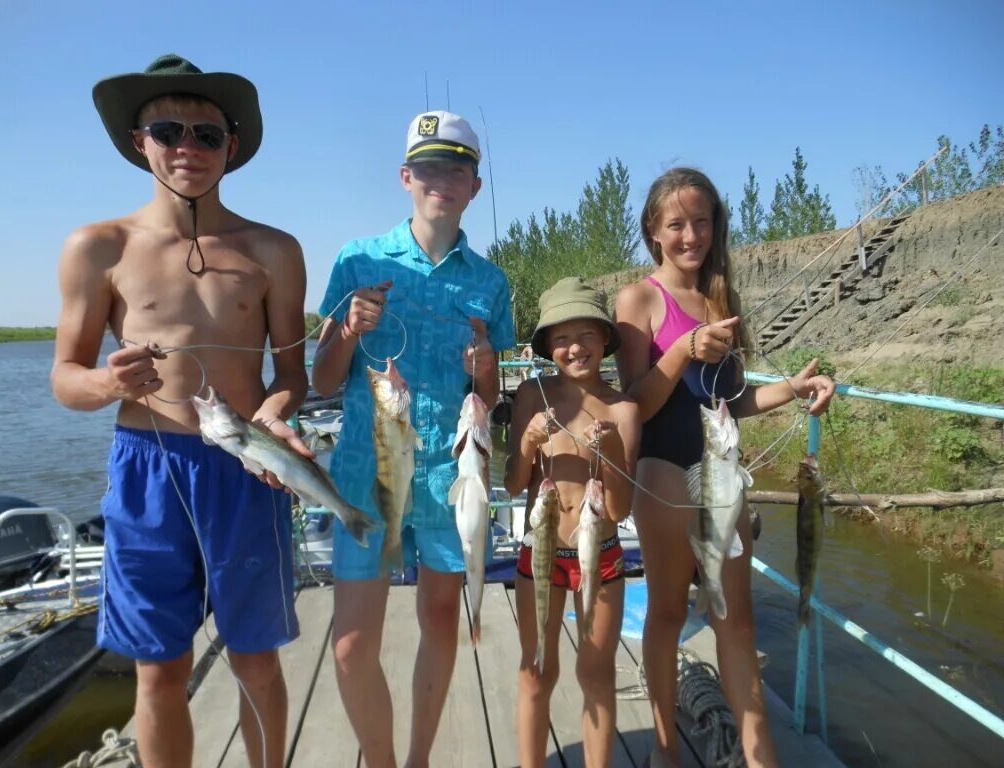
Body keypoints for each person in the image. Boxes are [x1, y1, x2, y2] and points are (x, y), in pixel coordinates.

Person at [51, 54, 308, 768]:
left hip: (248, 467)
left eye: (207, 134)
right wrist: (107, 384)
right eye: (169, 131)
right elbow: (66, 379)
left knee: (257, 659)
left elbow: (291, 375)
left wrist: (279, 418)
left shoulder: (274, 251)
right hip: (146, 472)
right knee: (159, 668)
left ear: (233, 144)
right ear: (141, 142)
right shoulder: (98, 247)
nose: (188, 148)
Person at [312, 110, 515, 768]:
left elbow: (491, 391)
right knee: (350, 646)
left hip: (450, 481)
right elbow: (321, 379)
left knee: (441, 621)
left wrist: (484, 364)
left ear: (475, 186)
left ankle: (420, 758)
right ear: (405, 177)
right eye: (429, 167)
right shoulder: (359, 260)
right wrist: (346, 330)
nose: (442, 180)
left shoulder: (490, 283)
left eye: (457, 168)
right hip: (365, 474)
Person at [613, 167, 836, 768]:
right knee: (664, 613)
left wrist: (796, 386)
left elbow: (732, 404)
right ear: (654, 232)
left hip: (722, 475)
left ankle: (762, 757)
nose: (691, 235)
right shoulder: (639, 299)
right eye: (676, 224)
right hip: (662, 471)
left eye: (702, 221)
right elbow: (635, 403)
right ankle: (665, 750)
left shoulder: (721, 298)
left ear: (717, 225)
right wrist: (683, 348)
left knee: (735, 623)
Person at [504, 278, 641, 768]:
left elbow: (621, 510)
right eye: (561, 337)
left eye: (586, 334)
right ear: (546, 346)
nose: (575, 347)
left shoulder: (624, 409)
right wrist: (527, 442)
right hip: (540, 553)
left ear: (606, 339)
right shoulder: (528, 396)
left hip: (599, 558)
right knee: (535, 670)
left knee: (596, 674)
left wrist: (615, 453)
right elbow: (515, 483)